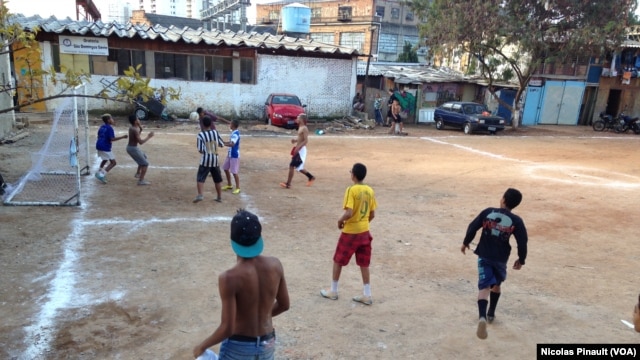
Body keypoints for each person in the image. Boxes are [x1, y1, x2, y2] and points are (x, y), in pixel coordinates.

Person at [192, 209, 290, 360]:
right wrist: (260, 316)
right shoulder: (275, 265)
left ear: (233, 240)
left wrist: (202, 346)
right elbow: (284, 305)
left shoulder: (229, 278)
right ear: (259, 238)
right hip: (267, 343)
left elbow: (227, 328)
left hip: (239, 346)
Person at [460, 188, 528, 340]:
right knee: (496, 285)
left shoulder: (488, 212)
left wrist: (466, 242)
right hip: (501, 258)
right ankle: (491, 313)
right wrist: (521, 259)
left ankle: (482, 317)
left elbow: (473, 226)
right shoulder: (516, 220)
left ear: (503, 199)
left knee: (484, 287)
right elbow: (522, 242)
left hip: (484, 255)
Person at [320, 163, 377, 306]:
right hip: (365, 232)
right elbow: (372, 214)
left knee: (338, 260)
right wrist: (363, 223)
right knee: (364, 263)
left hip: (350, 232)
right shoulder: (370, 190)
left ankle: (333, 291)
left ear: (354, 175)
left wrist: (340, 220)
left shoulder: (351, 190)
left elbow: (349, 212)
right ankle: (367, 294)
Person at [193, 116, 225, 203]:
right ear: (211, 124)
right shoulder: (215, 132)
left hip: (206, 159)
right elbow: (221, 144)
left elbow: (200, 150)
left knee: (200, 178)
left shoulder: (200, 135)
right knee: (217, 179)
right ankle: (219, 197)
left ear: (202, 124)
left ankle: (200, 194)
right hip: (215, 159)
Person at [279, 113, 316, 189]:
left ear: (302, 119)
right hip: (299, 148)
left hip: (301, 150)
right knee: (298, 167)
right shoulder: (300, 127)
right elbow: (301, 138)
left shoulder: (304, 128)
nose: (296, 119)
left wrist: (298, 147)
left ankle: (288, 184)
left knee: (292, 165)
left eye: (298, 118)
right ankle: (311, 177)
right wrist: (295, 140)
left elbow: (306, 140)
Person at [95, 114, 127, 184]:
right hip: (105, 146)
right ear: (109, 120)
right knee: (113, 162)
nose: (113, 120)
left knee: (105, 159)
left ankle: (99, 171)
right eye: (111, 118)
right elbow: (112, 139)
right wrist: (123, 137)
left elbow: (98, 136)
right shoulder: (110, 128)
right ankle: (101, 174)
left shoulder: (102, 127)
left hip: (98, 144)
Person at [126, 114, 154, 185]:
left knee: (143, 157)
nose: (139, 120)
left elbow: (137, 135)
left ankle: (138, 173)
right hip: (133, 149)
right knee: (145, 163)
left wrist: (140, 128)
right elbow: (141, 142)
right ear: (135, 121)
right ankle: (141, 180)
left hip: (132, 147)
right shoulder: (135, 129)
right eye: (138, 119)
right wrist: (149, 136)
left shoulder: (132, 128)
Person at [222, 119, 241, 195]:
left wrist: (223, 144)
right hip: (230, 154)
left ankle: (238, 188)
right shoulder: (234, 133)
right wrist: (223, 143)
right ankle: (229, 185)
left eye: (230, 124)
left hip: (234, 155)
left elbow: (232, 144)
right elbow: (230, 143)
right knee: (225, 168)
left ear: (233, 125)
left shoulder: (235, 134)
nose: (229, 125)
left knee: (234, 172)